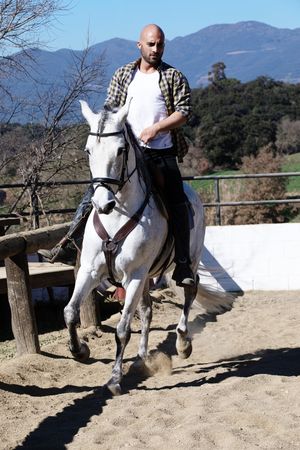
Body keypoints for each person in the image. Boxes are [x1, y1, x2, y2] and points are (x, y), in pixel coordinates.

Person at [39, 24, 195, 287]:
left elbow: (184, 111)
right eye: (151, 44)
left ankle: (182, 265)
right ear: (140, 45)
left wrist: (156, 128)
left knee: (177, 202)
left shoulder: (173, 76)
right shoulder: (123, 74)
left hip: (160, 151)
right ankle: (69, 244)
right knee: (95, 192)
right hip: (126, 152)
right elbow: (110, 109)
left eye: (160, 44)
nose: (156, 49)